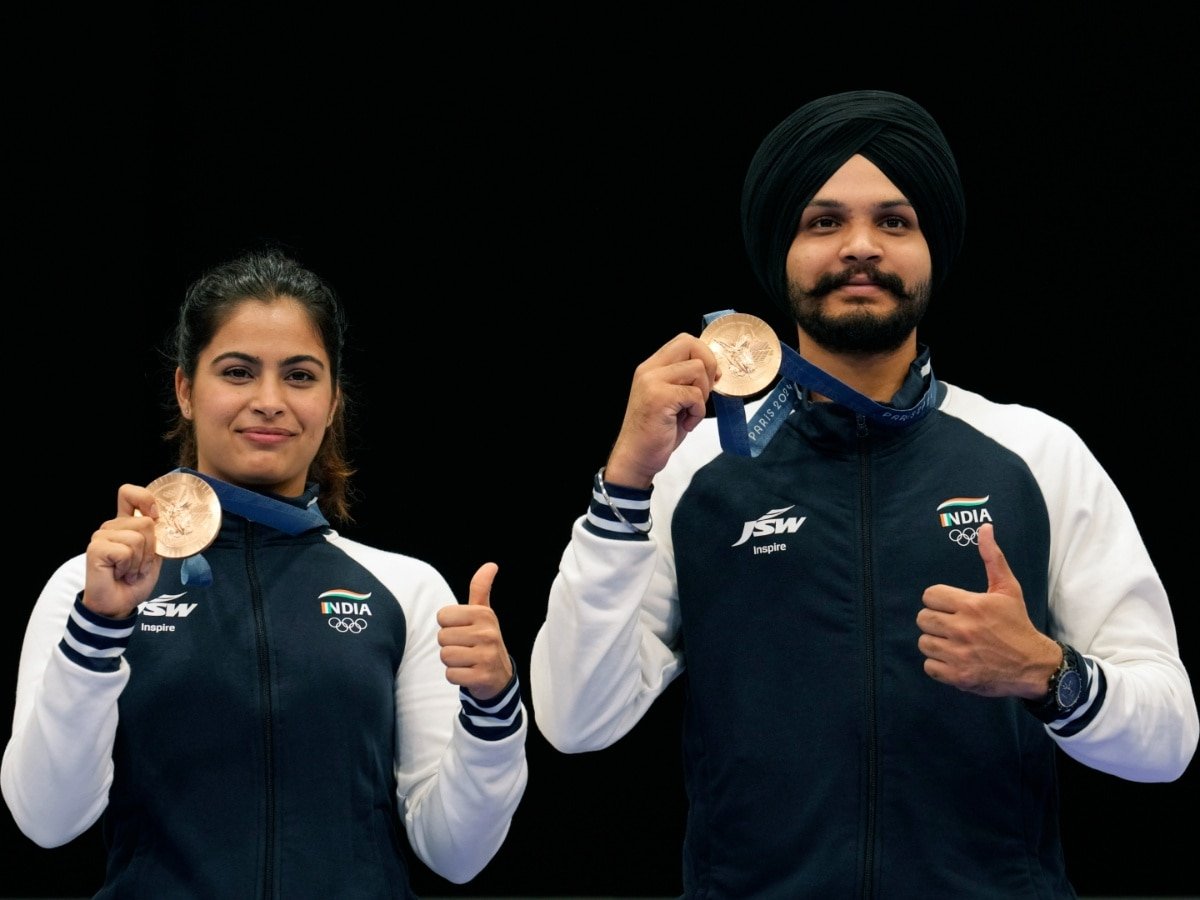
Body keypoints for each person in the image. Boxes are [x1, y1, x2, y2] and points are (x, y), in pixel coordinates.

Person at [529, 89, 1199, 898]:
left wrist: (1047, 673)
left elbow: (1169, 741)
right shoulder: (691, 469)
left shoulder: (1037, 454)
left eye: (894, 220)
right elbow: (573, 722)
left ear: (931, 248)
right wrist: (626, 480)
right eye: (823, 222)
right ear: (782, 251)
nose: (859, 246)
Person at [2, 248, 528, 898]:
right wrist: (99, 630)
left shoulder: (408, 591)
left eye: (301, 376)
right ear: (186, 390)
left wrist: (493, 708)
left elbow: (457, 853)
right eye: (238, 372)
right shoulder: (89, 588)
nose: (270, 401)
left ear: (334, 401)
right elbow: (46, 820)